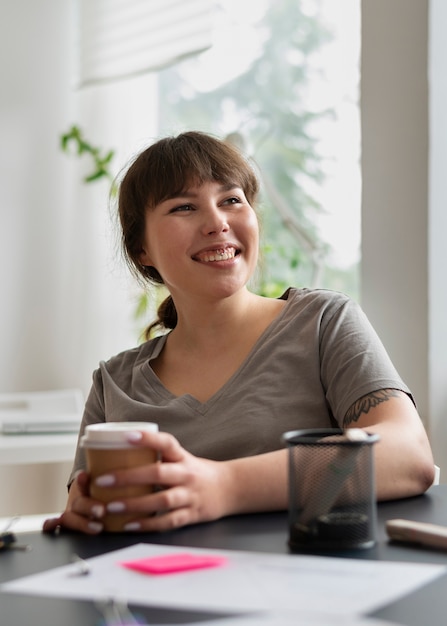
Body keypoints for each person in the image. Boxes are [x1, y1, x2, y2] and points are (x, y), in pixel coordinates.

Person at [43, 131, 434, 536]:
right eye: (183, 207)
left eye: (231, 200)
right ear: (141, 249)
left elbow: (408, 456)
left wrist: (223, 487)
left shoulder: (323, 323)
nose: (217, 223)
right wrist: (85, 514)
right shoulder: (113, 384)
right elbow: (84, 511)